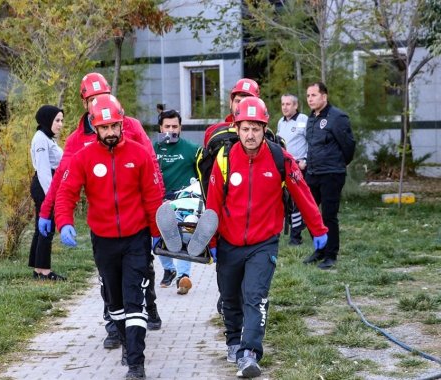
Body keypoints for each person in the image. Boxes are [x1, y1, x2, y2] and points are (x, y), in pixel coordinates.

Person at [37, 73, 163, 350]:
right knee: (109, 280)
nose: (96, 101)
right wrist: (48, 212)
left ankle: (148, 306)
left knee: (142, 273)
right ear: (84, 103)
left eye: (100, 95)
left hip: (136, 220)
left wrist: (159, 222)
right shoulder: (77, 139)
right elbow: (63, 181)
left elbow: (151, 167)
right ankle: (114, 327)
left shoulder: (129, 127)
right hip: (104, 226)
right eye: (91, 98)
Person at [206, 96, 328, 378]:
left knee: (255, 295)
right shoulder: (224, 159)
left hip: (264, 242)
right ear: (237, 128)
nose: (250, 134)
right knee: (230, 298)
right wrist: (211, 242)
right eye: (246, 128)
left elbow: (303, 194)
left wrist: (318, 229)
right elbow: (213, 203)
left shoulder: (279, 158)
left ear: (264, 129)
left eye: (256, 129)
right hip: (228, 241)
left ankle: (249, 353)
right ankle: (234, 342)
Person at [302, 82, 356, 270]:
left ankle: (331, 255)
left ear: (324, 97)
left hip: (332, 173)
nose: (310, 99)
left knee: (328, 215)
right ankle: (320, 249)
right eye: (308, 95)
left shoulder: (337, 117)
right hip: (313, 172)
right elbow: (312, 146)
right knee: (309, 212)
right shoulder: (311, 118)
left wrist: (338, 164)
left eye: (314, 95)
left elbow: (348, 146)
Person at [153, 109, 200, 294]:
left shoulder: (192, 149)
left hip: (183, 202)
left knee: (183, 237)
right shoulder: (151, 149)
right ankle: (169, 269)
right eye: (167, 126)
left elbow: (202, 173)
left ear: (180, 127)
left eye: (175, 126)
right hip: (157, 201)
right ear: (160, 127)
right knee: (157, 238)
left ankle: (183, 276)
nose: (171, 130)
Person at [28, 105, 65, 280]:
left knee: (41, 228)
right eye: (57, 120)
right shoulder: (41, 139)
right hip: (45, 186)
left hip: (49, 184)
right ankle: (44, 271)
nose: (60, 124)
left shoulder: (47, 138)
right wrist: (52, 197)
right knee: (46, 228)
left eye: (61, 120)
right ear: (47, 120)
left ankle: (38, 268)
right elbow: (43, 171)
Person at [276, 93, 309, 246]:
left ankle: (296, 237)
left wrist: (306, 160)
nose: (285, 107)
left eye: (288, 104)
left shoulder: (303, 120)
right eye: (283, 104)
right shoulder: (280, 123)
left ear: (295, 105)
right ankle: (291, 228)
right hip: (283, 167)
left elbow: (312, 141)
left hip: (299, 167)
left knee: (297, 201)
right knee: (285, 201)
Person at [202, 78, 260, 147]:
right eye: (238, 101)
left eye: (247, 102)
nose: (241, 106)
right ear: (231, 103)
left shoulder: (263, 133)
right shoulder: (212, 131)